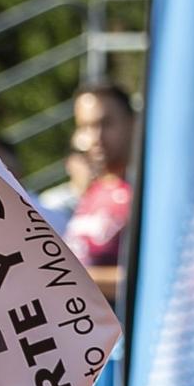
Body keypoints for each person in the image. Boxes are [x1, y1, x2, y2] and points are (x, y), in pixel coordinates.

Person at [63, 82, 136, 301]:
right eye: (84, 126)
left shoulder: (144, 192)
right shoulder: (93, 191)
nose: (95, 137)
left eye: (106, 124)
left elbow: (150, 278)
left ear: (132, 124)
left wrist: (68, 279)